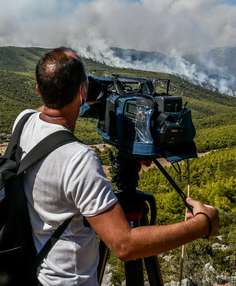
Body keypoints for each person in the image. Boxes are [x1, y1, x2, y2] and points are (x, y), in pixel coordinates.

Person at [14, 47, 220, 286]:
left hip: (35, 274)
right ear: (83, 90)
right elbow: (125, 245)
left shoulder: (23, 122)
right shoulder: (78, 160)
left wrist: (82, 94)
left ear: (39, 90)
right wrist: (202, 224)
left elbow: (52, 107)